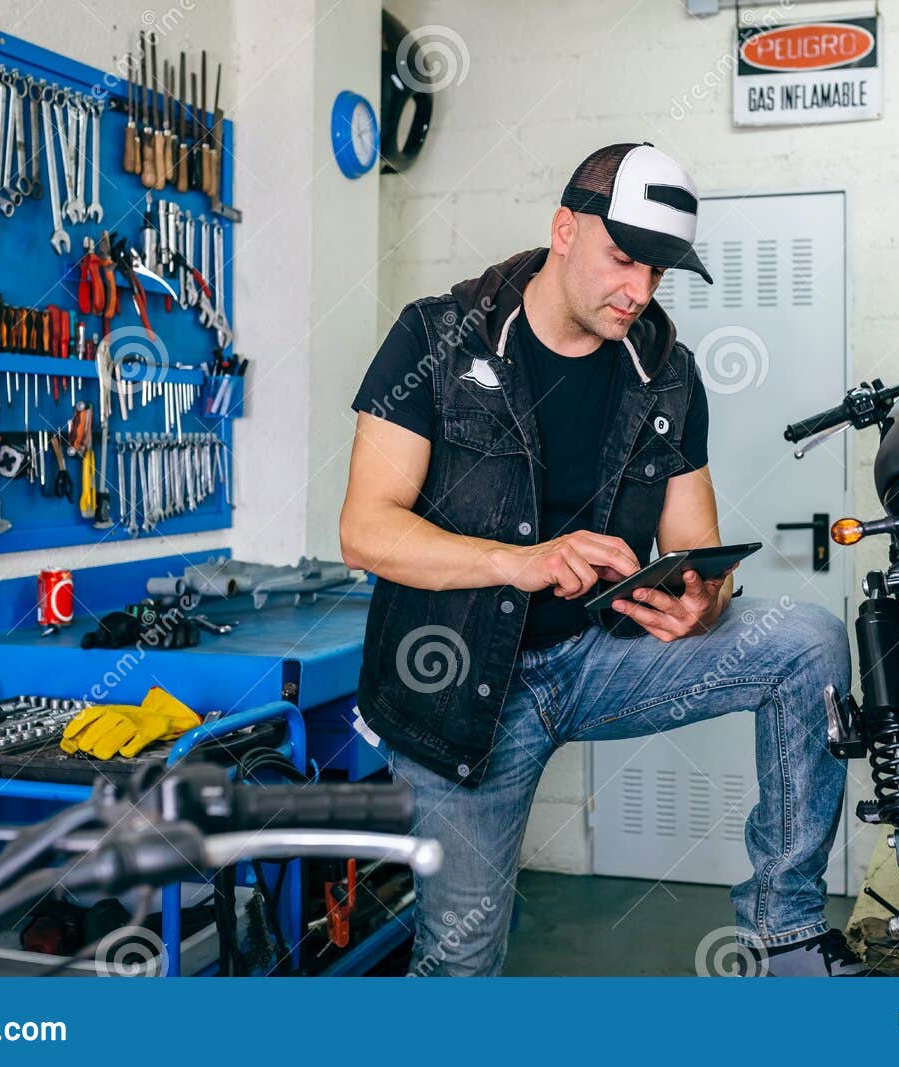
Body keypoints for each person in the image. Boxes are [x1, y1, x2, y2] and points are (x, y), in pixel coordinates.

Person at [341, 143, 861, 976]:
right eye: (624, 260)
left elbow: (696, 550)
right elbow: (366, 529)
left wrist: (706, 598)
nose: (639, 292)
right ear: (563, 231)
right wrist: (523, 560)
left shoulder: (668, 372)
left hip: (596, 659)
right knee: (462, 959)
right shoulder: (434, 338)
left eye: (658, 272)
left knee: (808, 641)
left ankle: (785, 928)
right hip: (466, 687)